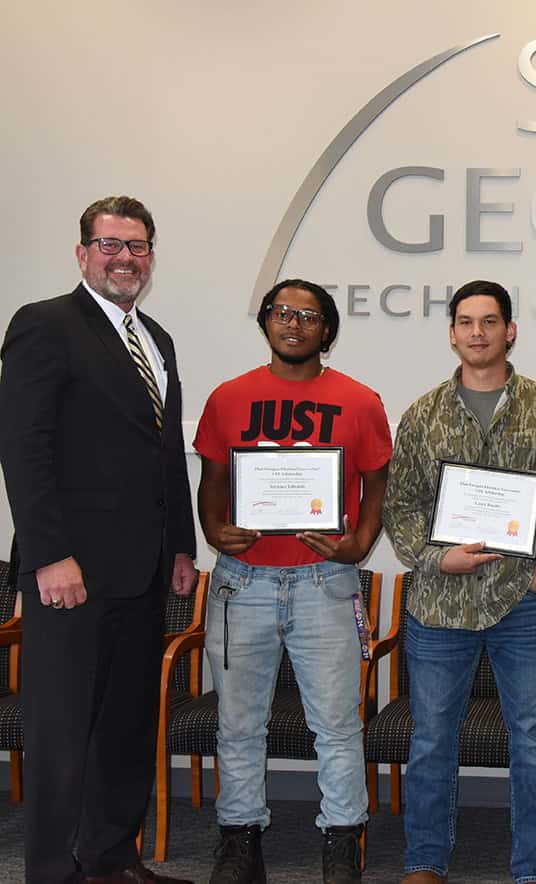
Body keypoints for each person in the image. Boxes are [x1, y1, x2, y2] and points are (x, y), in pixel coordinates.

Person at [0, 196, 197, 883]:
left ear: (151, 256)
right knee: (62, 735)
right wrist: (49, 554)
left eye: (138, 246)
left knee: (125, 727)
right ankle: (53, 872)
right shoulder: (45, 325)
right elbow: (25, 449)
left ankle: (112, 857)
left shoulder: (157, 339)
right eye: (110, 244)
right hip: (70, 574)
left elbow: (165, 452)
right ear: (82, 252)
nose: (125, 258)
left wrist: (182, 545)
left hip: (142, 571)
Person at [192, 279, 392, 884]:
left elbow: (378, 481)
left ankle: (341, 838)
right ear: (266, 322)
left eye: (309, 316)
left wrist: (358, 543)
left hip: (324, 582)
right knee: (239, 719)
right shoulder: (229, 397)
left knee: (336, 722)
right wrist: (212, 527)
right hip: (242, 581)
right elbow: (212, 478)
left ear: (326, 330)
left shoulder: (360, 400)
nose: (294, 323)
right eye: (283, 313)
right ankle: (240, 837)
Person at [382, 280, 536, 884]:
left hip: (523, 599)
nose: (477, 332)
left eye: (489, 321)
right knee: (432, 741)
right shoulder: (423, 414)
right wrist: (435, 558)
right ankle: (424, 861)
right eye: (465, 322)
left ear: (509, 331)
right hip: (440, 604)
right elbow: (401, 505)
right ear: (452, 333)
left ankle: (534, 869)